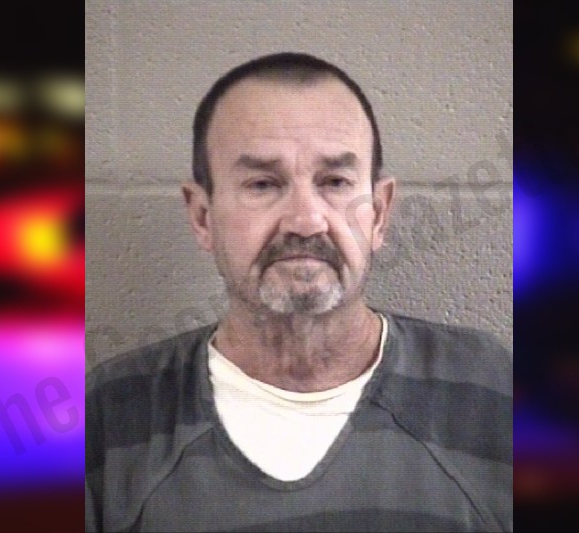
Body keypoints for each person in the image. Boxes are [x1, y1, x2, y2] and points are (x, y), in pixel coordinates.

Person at [85, 52, 512, 532]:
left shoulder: (491, 392)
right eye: (263, 184)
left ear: (379, 213)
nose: (306, 221)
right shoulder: (111, 415)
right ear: (202, 217)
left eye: (335, 182)